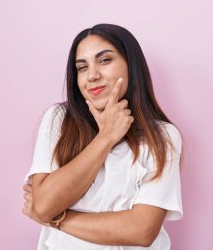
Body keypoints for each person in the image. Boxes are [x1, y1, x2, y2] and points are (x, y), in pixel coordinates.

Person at [22, 23, 184, 250]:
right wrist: (105, 137)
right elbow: (44, 204)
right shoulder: (59, 120)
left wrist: (57, 219)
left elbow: (142, 230)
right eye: (82, 67)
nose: (92, 76)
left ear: (131, 65)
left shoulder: (163, 137)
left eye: (105, 60)